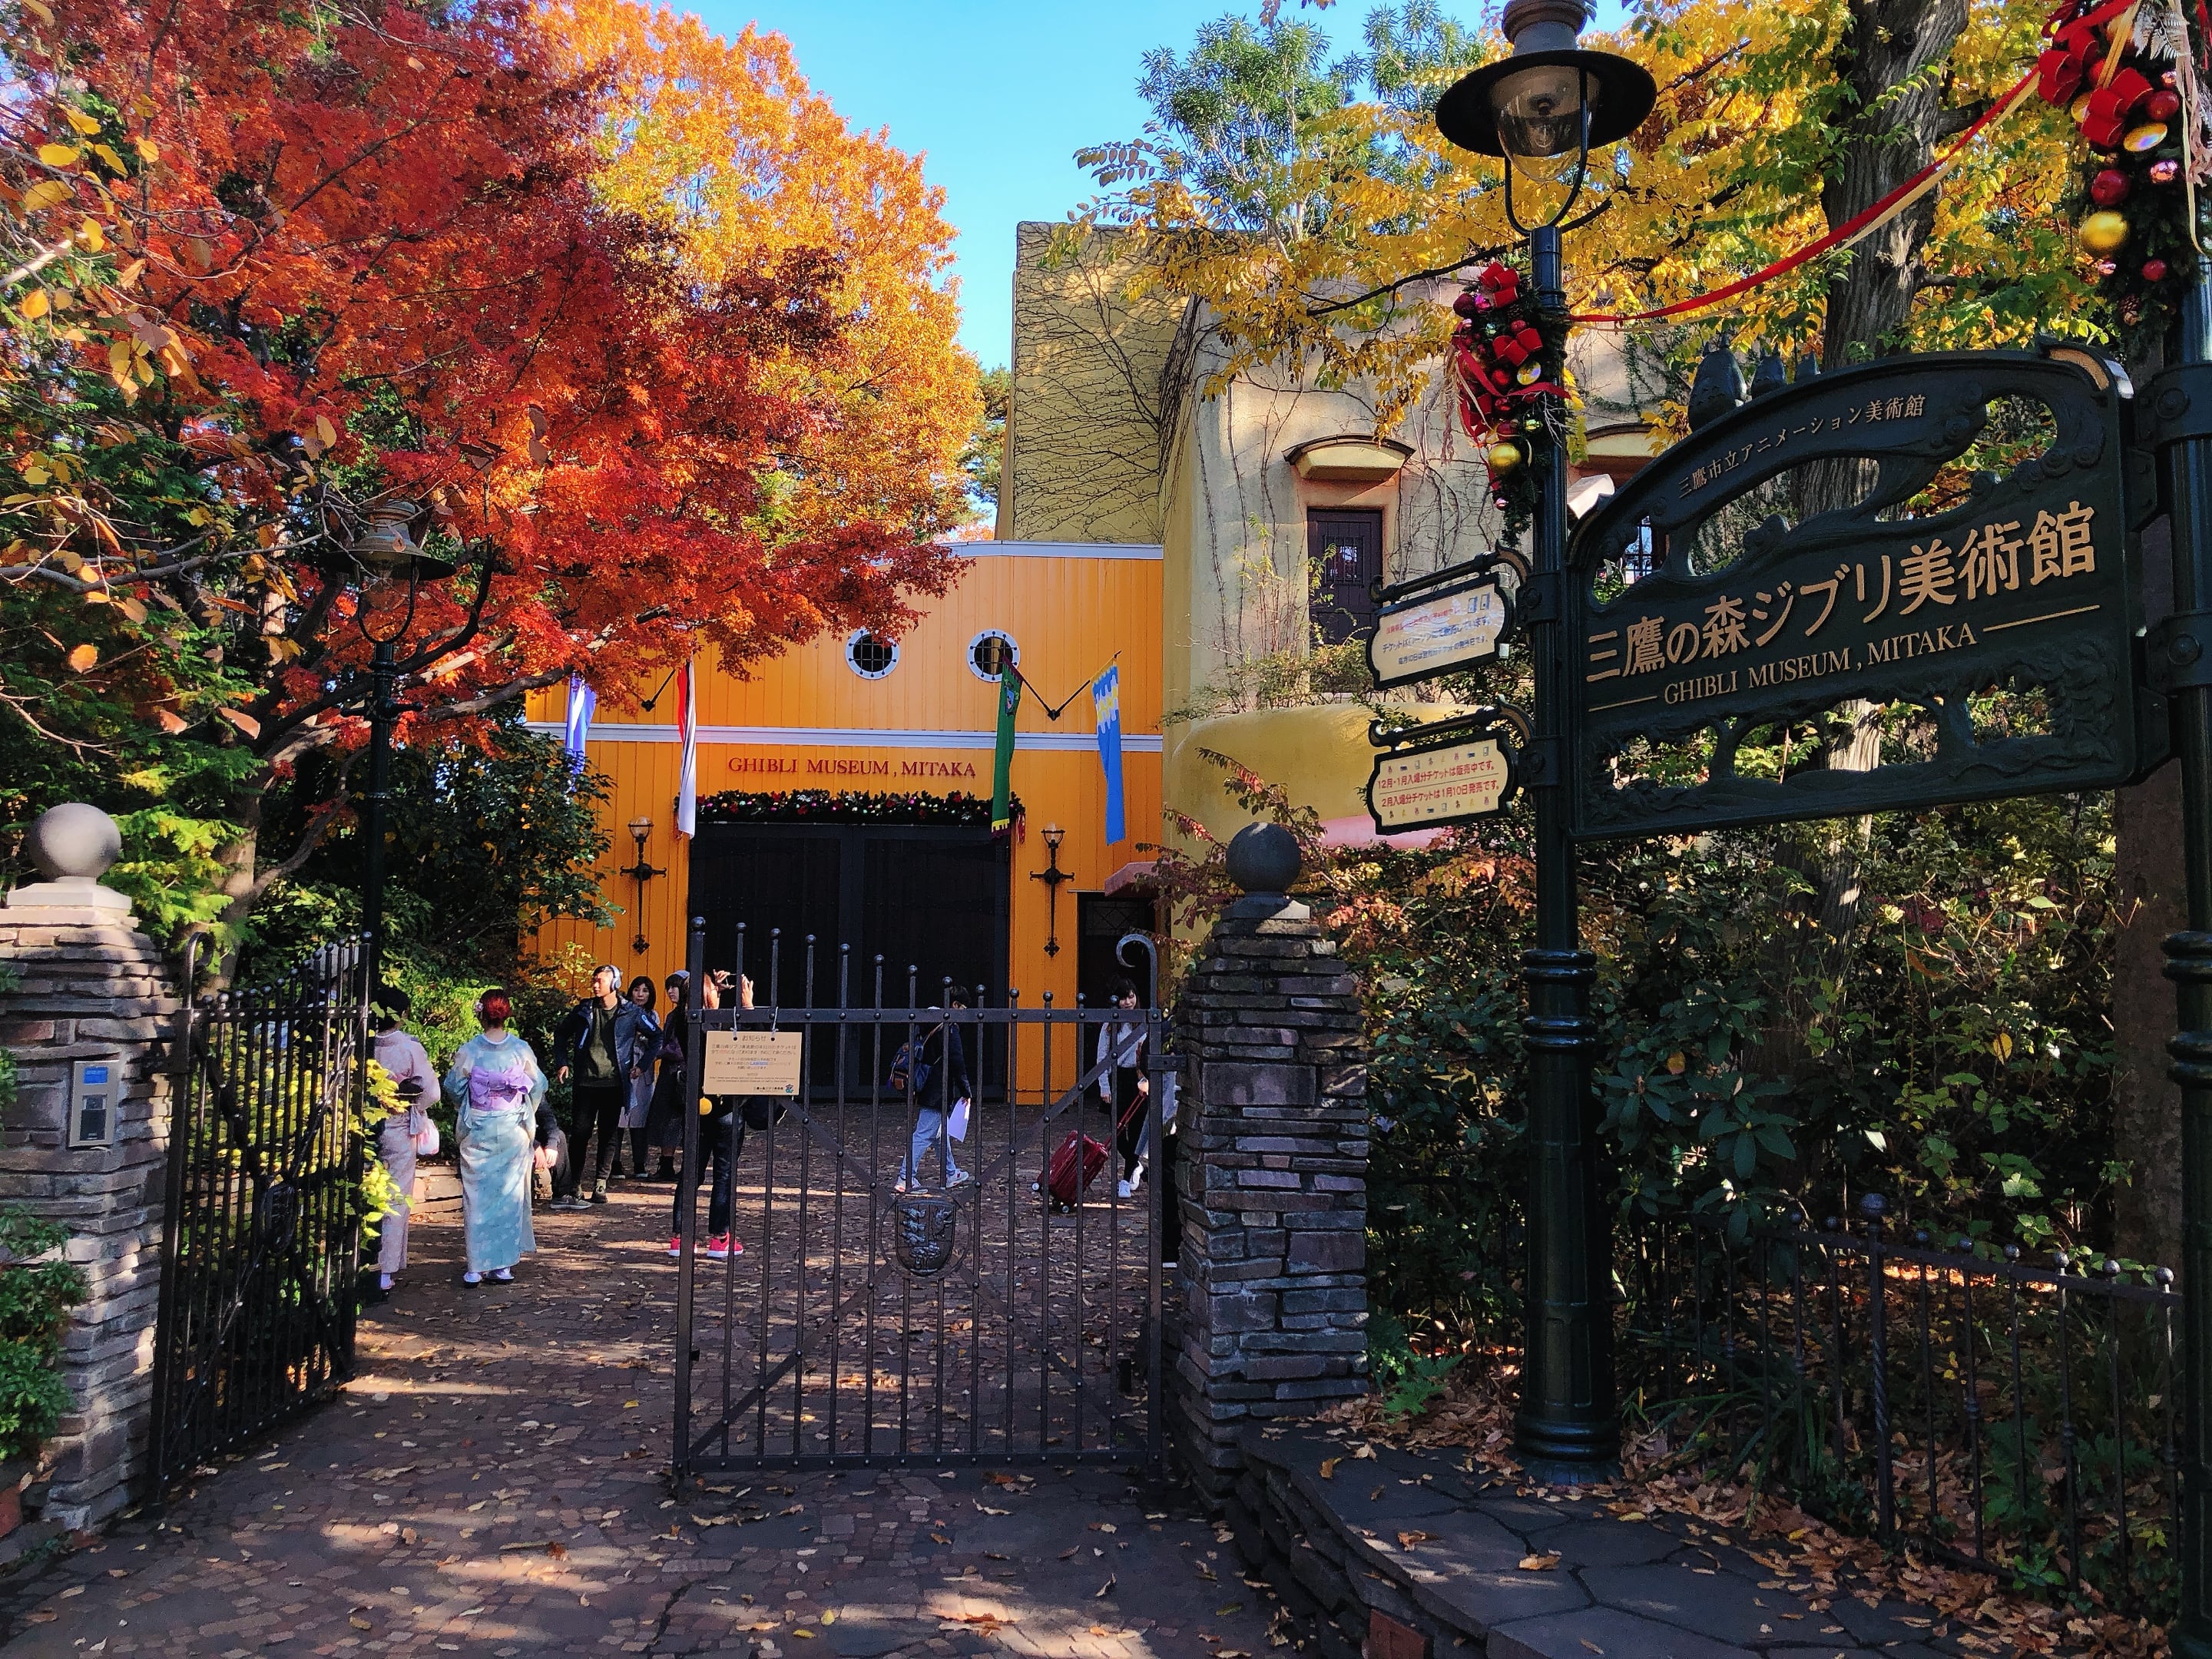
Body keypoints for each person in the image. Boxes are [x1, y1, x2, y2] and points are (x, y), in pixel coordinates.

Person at [443, 988, 547, 1286]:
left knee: (477, 1197)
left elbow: (453, 1087)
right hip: (513, 1127)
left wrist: (470, 1098)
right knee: (509, 1196)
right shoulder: (520, 1049)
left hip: (480, 1127)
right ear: (506, 1014)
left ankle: (476, 1266)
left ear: (481, 1015)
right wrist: (524, 1108)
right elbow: (538, 1085)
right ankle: (502, 1266)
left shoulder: (470, 1050)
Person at [551, 963, 653, 1207]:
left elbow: (656, 1035)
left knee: (609, 1134)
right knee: (580, 1133)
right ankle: (575, 1183)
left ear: (614, 984)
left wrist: (643, 1064)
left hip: (615, 1082)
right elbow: (561, 1033)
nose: (595, 984)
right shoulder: (584, 1009)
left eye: (601, 980)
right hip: (585, 1082)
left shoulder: (631, 1012)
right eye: (594, 980)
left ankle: (600, 1182)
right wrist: (562, 1062)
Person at [671, 970, 750, 1261]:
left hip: (696, 1103)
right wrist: (747, 1006)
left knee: (690, 1173)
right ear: (708, 994)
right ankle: (720, 1239)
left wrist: (710, 990)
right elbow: (748, 1040)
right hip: (725, 1106)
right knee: (724, 1174)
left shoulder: (683, 1019)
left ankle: (680, 1237)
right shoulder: (719, 1025)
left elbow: (700, 1013)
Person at [369, 987, 436, 1294]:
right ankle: (386, 1270)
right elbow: (431, 1092)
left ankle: (361, 1259)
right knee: (395, 1196)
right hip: (398, 1125)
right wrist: (414, 1107)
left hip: (364, 1125)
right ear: (404, 1014)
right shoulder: (410, 1047)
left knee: (366, 1193)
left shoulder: (362, 1044)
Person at [896, 990, 973, 1193]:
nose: (964, 1015)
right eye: (963, 1010)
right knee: (923, 1135)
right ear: (955, 1005)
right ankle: (906, 1178)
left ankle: (950, 1173)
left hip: (927, 1084)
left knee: (940, 1133)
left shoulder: (929, 1021)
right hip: (939, 1088)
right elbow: (957, 1060)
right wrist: (966, 1090)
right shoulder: (949, 1027)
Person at [1096, 979, 1149, 1197]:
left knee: (1136, 1132)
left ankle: (1126, 1181)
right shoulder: (1110, 1026)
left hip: (1138, 1080)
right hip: (1117, 1079)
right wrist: (1104, 1086)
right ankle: (1135, 1164)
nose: (1128, 1002)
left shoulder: (1145, 1022)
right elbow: (1101, 1057)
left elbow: (1148, 1054)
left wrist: (1147, 1080)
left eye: (1131, 997)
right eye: (1123, 998)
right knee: (1117, 1134)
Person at [641, 971, 693, 1181]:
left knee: (682, 1121)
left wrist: (657, 1052)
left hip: (683, 1074)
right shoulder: (672, 1015)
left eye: (675, 986)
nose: (671, 991)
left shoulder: (691, 1014)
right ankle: (666, 1165)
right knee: (665, 1120)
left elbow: (680, 1048)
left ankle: (688, 1166)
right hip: (668, 1074)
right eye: (668, 987)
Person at [615, 975, 661, 1180]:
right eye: (636, 990)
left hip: (643, 1072)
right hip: (622, 1068)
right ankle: (614, 1163)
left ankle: (639, 1164)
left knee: (640, 1119)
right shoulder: (621, 1012)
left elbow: (655, 1040)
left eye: (645, 991)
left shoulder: (653, 1015)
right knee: (618, 1118)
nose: (640, 995)